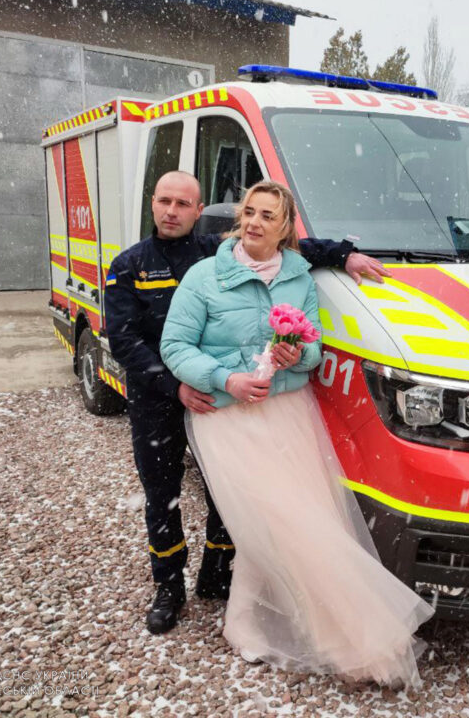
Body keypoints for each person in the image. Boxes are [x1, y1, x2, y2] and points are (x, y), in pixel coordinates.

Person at [160, 181, 433, 687]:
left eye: (269, 216)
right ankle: (333, 630)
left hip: (288, 412)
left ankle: (260, 623)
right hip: (227, 417)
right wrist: (226, 379)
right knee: (276, 522)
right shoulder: (204, 276)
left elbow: (314, 347)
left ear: (286, 229)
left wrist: (296, 354)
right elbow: (175, 346)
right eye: (250, 213)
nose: (256, 223)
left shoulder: (298, 277)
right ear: (240, 218)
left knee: (305, 521)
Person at [106, 170, 388, 635]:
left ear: (201, 212)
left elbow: (295, 245)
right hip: (160, 399)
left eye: (183, 204)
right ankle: (169, 588)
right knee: (163, 496)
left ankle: (217, 575)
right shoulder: (129, 264)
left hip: (221, 400)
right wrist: (174, 386)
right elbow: (124, 341)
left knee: (229, 492)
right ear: (152, 204)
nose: (172, 211)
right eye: (165, 201)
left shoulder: (212, 250)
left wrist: (345, 254)